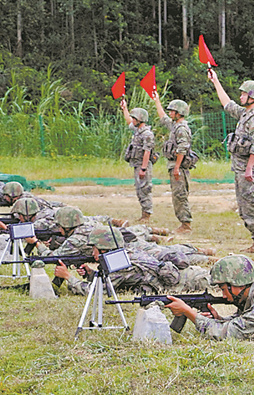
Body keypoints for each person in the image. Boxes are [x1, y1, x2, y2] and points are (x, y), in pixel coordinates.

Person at [207, 70, 254, 253]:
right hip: (241, 168)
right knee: (244, 206)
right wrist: (215, 81)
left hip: (248, 170)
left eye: (243, 93)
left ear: (252, 97)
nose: (240, 96)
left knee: (251, 204)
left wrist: (249, 169)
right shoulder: (245, 114)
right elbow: (227, 104)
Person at [54, 226, 209, 296]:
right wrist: (91, 274)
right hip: (192, 275)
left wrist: (68, 277)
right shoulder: (124, 254)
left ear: (104, 249)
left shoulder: (121, 263)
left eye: (94, 248)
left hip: (195, 280)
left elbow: (97, 292)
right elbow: (118, 283)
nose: (92, 252)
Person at [152, 92, 195, 235]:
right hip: (174, 166)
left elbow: (182, 149)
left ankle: (186, 224)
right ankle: (184, 222)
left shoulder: (181, 129)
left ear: (179, 113)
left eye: (172, 110)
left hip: (179, 167)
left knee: (180, 195)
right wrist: (156, 100)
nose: (170, 112)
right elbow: (163, 118)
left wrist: (177, 167)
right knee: (177, 195)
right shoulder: (175, 126)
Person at [120, 99, 157, 223]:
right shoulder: (138, 130)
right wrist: (124, 108)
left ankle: (146, 214)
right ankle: (143, 213)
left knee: (145, 188)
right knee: (139, 189)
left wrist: (143, 168)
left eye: (135, 118)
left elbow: (147, 151)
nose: (133, 120)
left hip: (143, 165)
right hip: (136, 164)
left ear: (140, 119)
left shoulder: (147, 134)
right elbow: (129, 122)